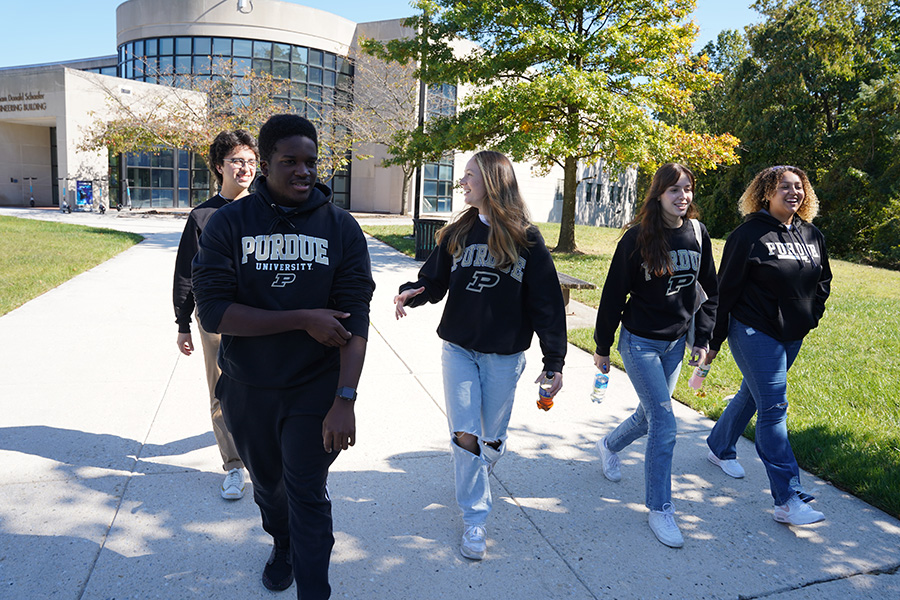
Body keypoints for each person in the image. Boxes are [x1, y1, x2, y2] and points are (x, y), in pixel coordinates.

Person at [192, 114, 375, 598]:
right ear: (266, 163)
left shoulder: (341, 228)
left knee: (308, 494)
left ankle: (314, 589)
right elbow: (212, 312)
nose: (303, 171)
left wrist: (345, 398)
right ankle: (282, 543)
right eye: (289, 161)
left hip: (315, 389)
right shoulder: (227, 224)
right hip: (248, 388)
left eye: (310, 161)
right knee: (270, 491)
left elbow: (356, 321)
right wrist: (302, 317)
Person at [394, 150, 567, 561]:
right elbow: (432, 282)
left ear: (491, 181)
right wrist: (412, 292)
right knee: (464, 435)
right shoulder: (457, 233)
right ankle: (475, 518)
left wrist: (554, 362)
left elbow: (546, 304)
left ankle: (483, 459)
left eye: (469, 176)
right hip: (458, 349)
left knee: (489, 440)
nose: (463, 183)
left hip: (504, 358)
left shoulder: (527, 239)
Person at [592, 163, 718, 548]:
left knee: (649, 417)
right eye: (674, 190)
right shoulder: (636, 240)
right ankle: (660, 509)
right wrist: (602, 346)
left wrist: (704, 339)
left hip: (676, 344)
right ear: (658, 195)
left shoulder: (697, 233)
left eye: (688, 189)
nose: (683, 196)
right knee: (665, 423)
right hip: (639, 343)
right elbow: (613, 295)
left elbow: (709, 288)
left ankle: (609, 445)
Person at [704, 165, 831, 526]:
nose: (793, 193)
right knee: (774, 407)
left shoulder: (811, 234)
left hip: (793, 333)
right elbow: (724, 290)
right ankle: (788, 498)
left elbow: (823, 280)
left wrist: (812, 315)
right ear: (765, 194)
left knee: (751, 394)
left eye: (799, 187)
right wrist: (713, 340)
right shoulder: (748, 235)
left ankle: (719, 446)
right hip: (754, 329)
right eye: (784, 187)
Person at [173, 129, 257, 500]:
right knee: (223, 390)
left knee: (265, 387)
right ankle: (235, 465)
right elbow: (186, 272)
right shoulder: (203, 215)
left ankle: (266, 456)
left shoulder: (267, 211)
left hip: (262, 315)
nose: (245, 168)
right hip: (216, 319)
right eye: (237, 160)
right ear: (219, 166)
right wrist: (182, 323)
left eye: (252, 161)